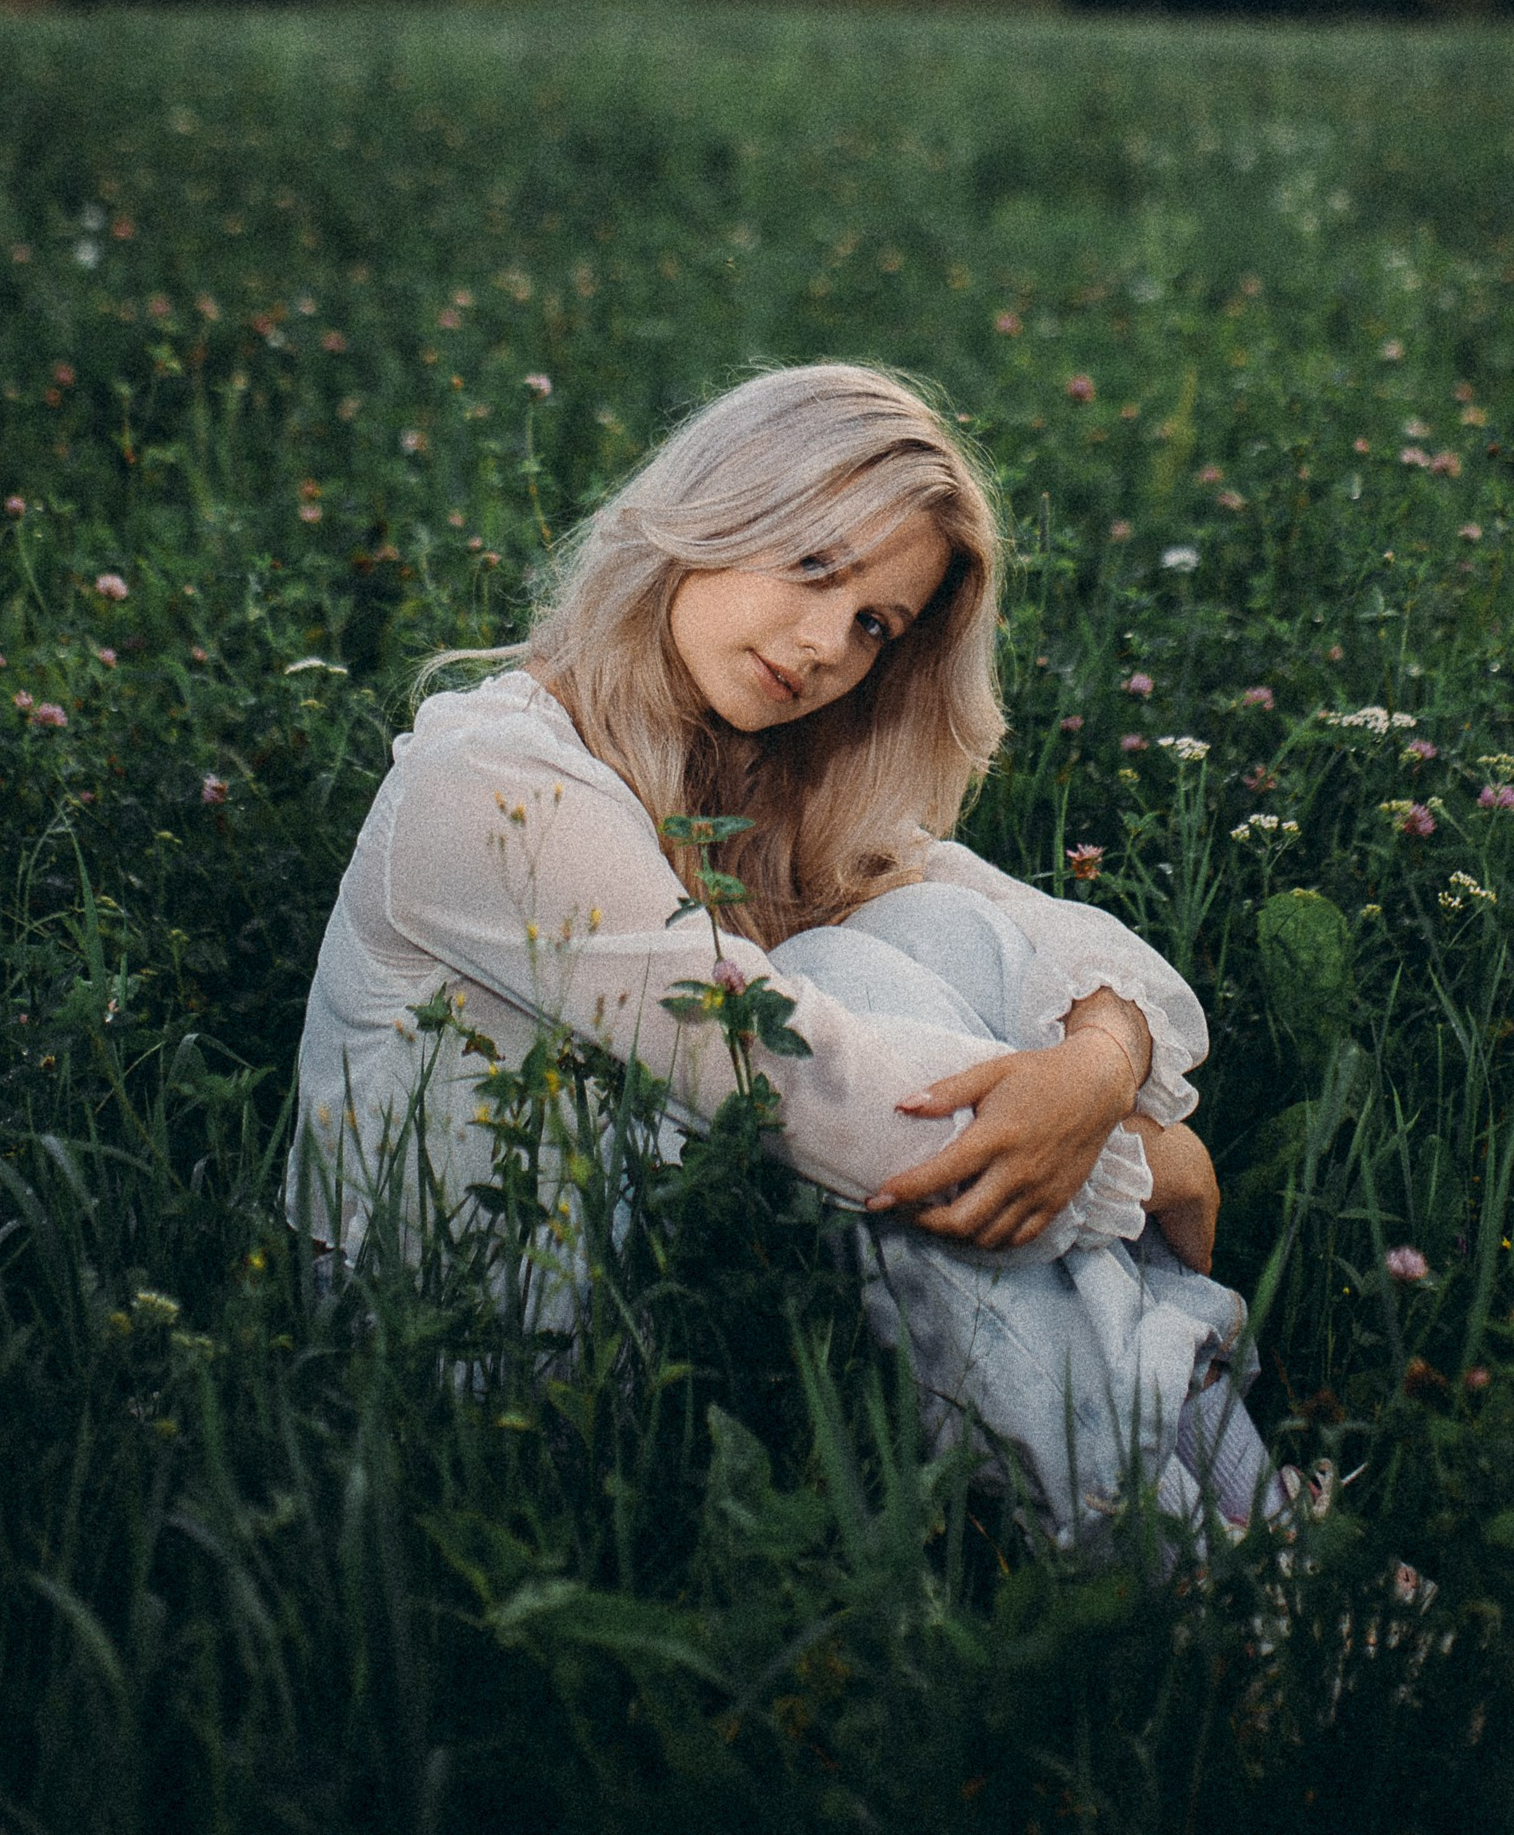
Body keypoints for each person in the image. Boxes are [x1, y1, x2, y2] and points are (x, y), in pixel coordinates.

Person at [289, 362, 1277, 1544]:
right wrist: (1147, 1164)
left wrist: (1101, 1073)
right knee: (858, 1007)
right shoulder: (489, 784)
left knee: (928, 929)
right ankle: (1216, 1568)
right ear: (714, 511)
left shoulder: (749, 774)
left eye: (873, 625)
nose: (823, 647)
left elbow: (1043, 934)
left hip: (667, 1293)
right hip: (464, 1362)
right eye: (812, 565)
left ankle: (1229, 1527)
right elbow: (812, 1094)